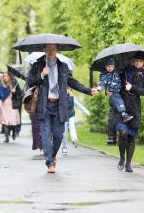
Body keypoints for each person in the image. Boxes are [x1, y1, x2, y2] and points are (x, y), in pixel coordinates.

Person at [27, 43, 98, 173]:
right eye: (48, 49)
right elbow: (30, 82)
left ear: (56, 50)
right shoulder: (37, 65)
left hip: (59, 105)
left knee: (59, 135)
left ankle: (53, 154)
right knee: (45, 135)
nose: (51, 51)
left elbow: (72, 82)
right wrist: (42, 74)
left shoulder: (63, 66)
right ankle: (49, 163)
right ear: (44, 50)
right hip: (44, 105)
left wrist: (88, 90)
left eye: (53, 49)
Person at [116, 52, 144, 172]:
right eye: (136, 60)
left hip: (135, 107)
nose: (137, 63)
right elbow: (116, 85)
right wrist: (109, 91)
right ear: (133, 61)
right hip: (122, 105)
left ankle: (128, 163)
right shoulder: (124, 71)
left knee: (131, 136)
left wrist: (132, 88)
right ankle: (121, 157)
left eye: (140, 61)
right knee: (123, 133)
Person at [97, 58, 133, 122]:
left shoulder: (116, 72)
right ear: (105, 66)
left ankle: (123, 114)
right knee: (119, 102)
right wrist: (100, 88)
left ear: (114, 66)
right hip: (112, 92)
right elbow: (102, 82)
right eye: (108, 66)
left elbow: (123, 72)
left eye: (112, 66)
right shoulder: (104, 75)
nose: (110, 68)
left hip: (118, 91)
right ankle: (123, 114)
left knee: (119, 102)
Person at [61, 87, 90, 155]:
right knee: (64, 133)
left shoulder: (73, 97)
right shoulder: (61, 97)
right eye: (67, 89)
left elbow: (78, 105)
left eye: (70, 90)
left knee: (72, 127)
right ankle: (64, 148)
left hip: (71, 115)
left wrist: (86, 111)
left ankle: (74, 140)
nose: (68, 91)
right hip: (63, 116)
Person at [0, 71, 22, 143]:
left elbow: (20, 93)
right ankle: (6, 137)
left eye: (6, 76)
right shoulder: (1, 84)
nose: (5, 77)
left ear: (10, 76)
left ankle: (14, 131)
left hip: (12, 104)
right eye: (4, 76)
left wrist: (14, 91)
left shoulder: (14, 83)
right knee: (5, 121)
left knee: (13, 120)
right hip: (5, 104)